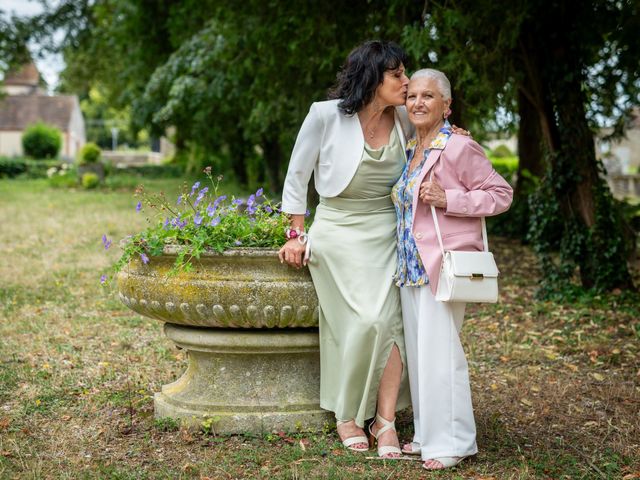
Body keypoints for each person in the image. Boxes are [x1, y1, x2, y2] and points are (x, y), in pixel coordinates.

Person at [278, 40, 413, 458]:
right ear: (373, 78)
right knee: (365, 319)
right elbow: (297, 176)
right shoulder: (325, 115)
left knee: (392, 319)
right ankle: (347, 415)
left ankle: (385, 420)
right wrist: (296, 236)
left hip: (388, 231)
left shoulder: (407, 119)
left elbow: (439, 143)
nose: (407, 82)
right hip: (337, 227)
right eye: (398, 75)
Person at [391, 68, 513, 470]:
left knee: (442, 355)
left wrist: (450, 198)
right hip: (410, 267)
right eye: (413, 96)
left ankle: (454, 442)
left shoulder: (459, 147)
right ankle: (428, 433)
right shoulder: (412, 146)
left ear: (447, 106)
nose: (418, 103)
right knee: (422, 355)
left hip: (442, 266)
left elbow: (501, 194)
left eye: (429, 97)